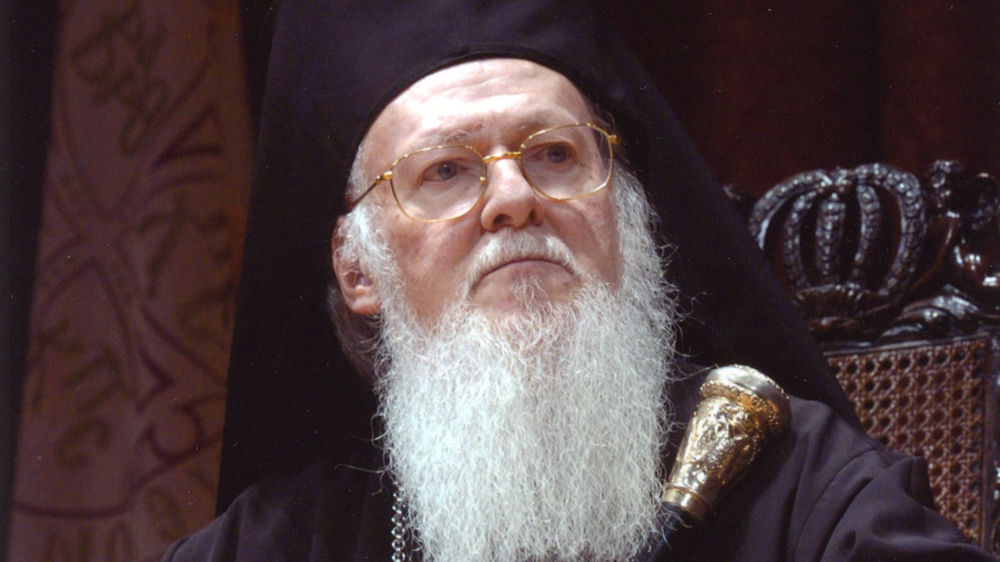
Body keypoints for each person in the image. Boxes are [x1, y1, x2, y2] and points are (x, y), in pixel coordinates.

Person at [163, 1, 997, 560]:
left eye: (555, 155)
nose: (513, 197)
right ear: (357, 267)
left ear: (625, 222)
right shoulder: (282, 542)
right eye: (446, 170)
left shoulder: (790, 483)